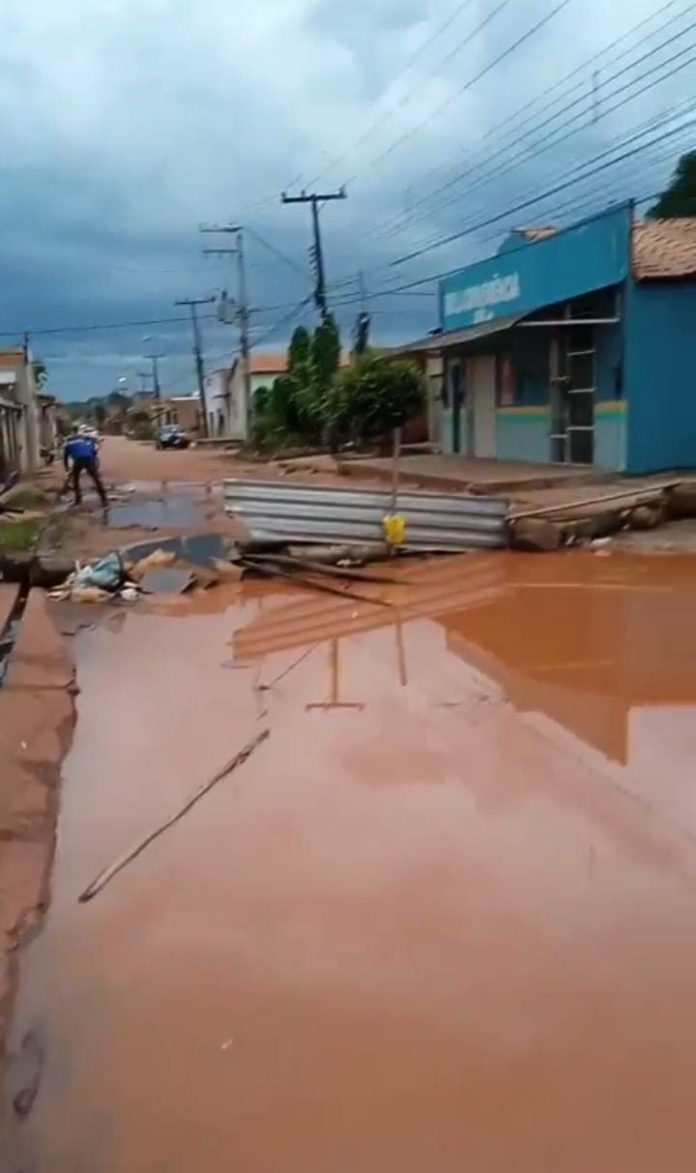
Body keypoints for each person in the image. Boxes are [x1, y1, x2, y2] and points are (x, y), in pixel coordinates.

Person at [63, 427, 108, 508]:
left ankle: (78, 500)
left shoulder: (68, 443)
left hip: (78, 461)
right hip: (89, 459)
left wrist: (67, 468)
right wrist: (93, 461)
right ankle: (104, 500)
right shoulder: (87, 440)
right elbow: (94, 452)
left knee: (75, 480)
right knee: (96, 479)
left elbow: (65, 457)